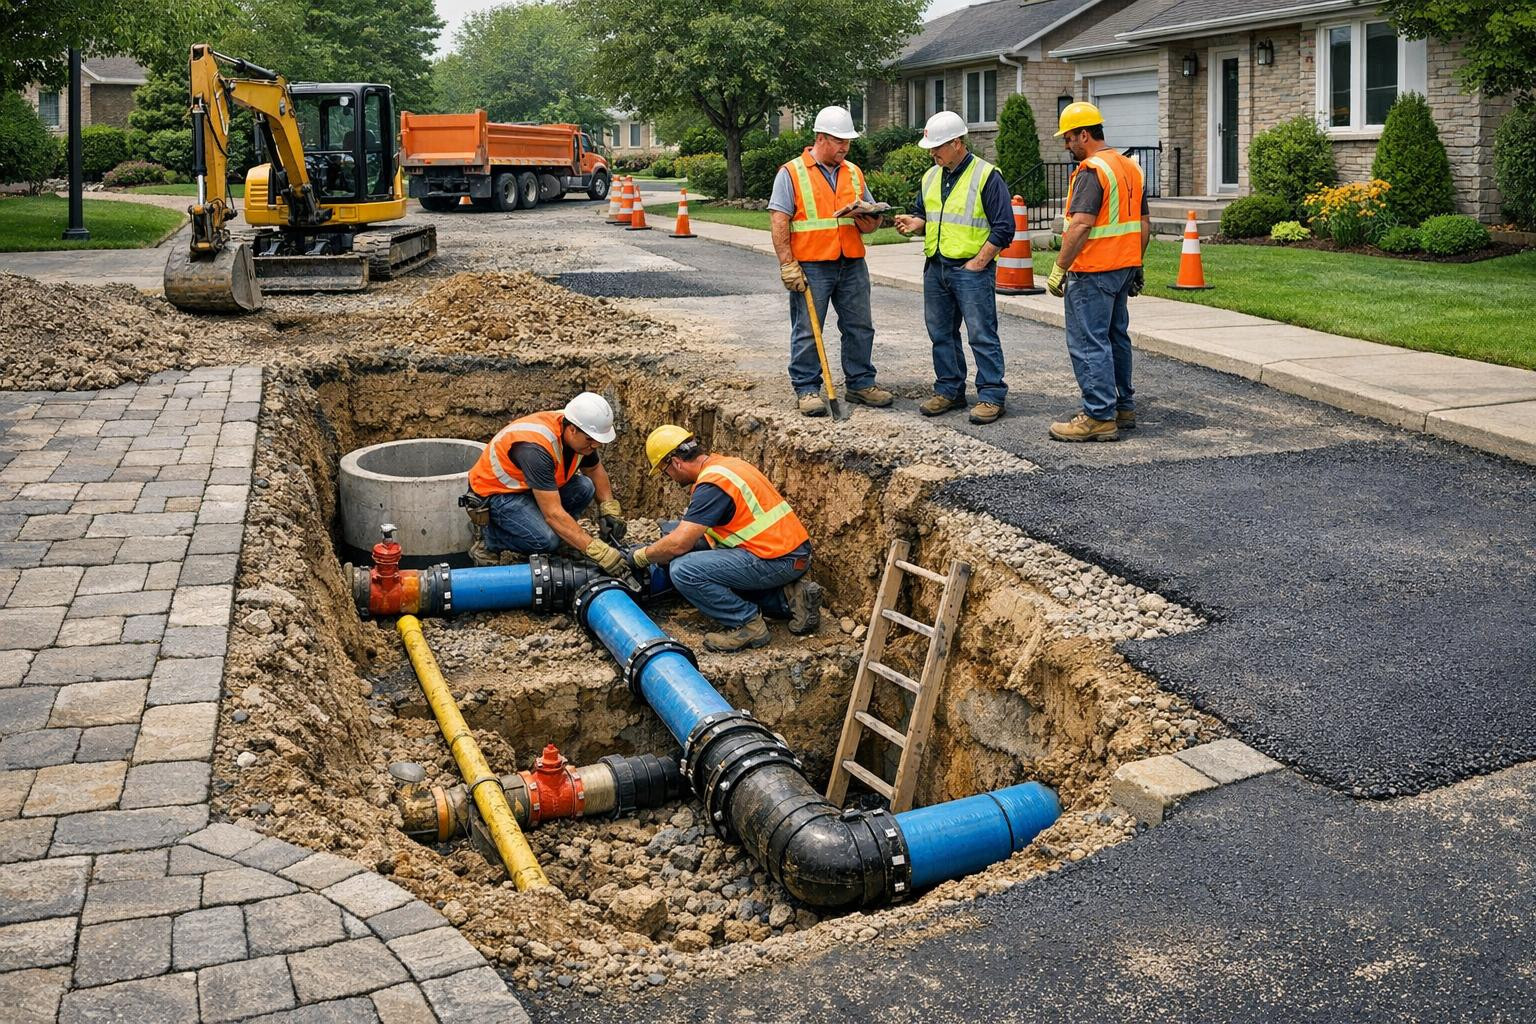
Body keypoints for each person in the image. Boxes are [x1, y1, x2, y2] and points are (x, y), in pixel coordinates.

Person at [625, 425, 821, 653]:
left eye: (665, 471)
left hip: (778, 559)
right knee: (706, 565)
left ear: (675, 462)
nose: (668, 478)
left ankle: (747, 624)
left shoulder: (712, 485)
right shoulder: (725, 466)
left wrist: (641, 556)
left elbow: (679, 543)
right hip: (788, 553)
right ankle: (790, 599)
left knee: (685, 571)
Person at [769, 105, 894, 417]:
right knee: (808, 328)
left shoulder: (853, 172)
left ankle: (861, 383)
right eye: (839, 141)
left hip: (851, 261)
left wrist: (871, 218)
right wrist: (787, 263)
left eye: (848, 142)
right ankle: (807, 388)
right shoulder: (792, 172)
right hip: (812, 264)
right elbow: (779, 220)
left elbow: (869, 222)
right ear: (821, 138)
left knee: (860, 325)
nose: (845, 147)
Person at [892, 110, 1016, 425]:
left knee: (981, 334)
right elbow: (925, 215)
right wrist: (915, 223)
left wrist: (978, 263)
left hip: (970, 270)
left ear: (957, 143)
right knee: (941, 334)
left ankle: (991, 396)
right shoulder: (930, 177)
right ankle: (949, 390)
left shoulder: (987, 176)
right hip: (936, 267)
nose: (932, 153)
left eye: (937, 147)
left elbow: (1004, 228)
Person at [1044, 101, 1151, 442]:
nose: (1067, 145)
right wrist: (1136, 263)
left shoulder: (1092, 170)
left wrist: (1060, 267)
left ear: (1084, 135)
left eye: (1069, 138)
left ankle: (1098, 415)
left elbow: (1080, 225)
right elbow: (1144, 224)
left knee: (1089, 342)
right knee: (1115, 337)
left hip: (1092, 270)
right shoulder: (1130, 168)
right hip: (1121, 269)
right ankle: (1122, 406)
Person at [463, 391, 628, 575]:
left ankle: (564, 537)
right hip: (498, 495)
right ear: (572, 429)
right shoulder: (535, 449)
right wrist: (597, 551)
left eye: (598, 441)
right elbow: (553, 514)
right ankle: (490, 539)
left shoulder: (579, 433)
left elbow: (594, 469)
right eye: (590, 440)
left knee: (585, 487)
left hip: (530, 488)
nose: (594, 445)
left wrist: (609, 508)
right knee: (546, 540)